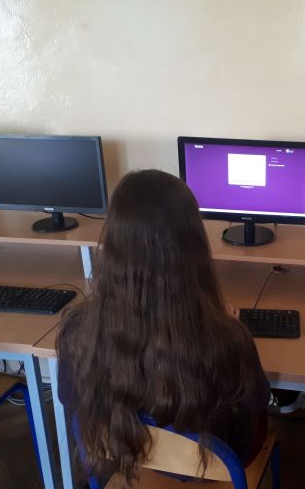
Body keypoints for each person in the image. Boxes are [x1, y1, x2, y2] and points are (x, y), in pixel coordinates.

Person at [56, 169, 270, 484]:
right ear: (193, 244)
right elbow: (260, 400)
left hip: (131, 456)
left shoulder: (77, 330)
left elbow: (68, 398)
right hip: (213, 465)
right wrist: (231, 326)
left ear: (113, 242)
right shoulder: (228, 338)